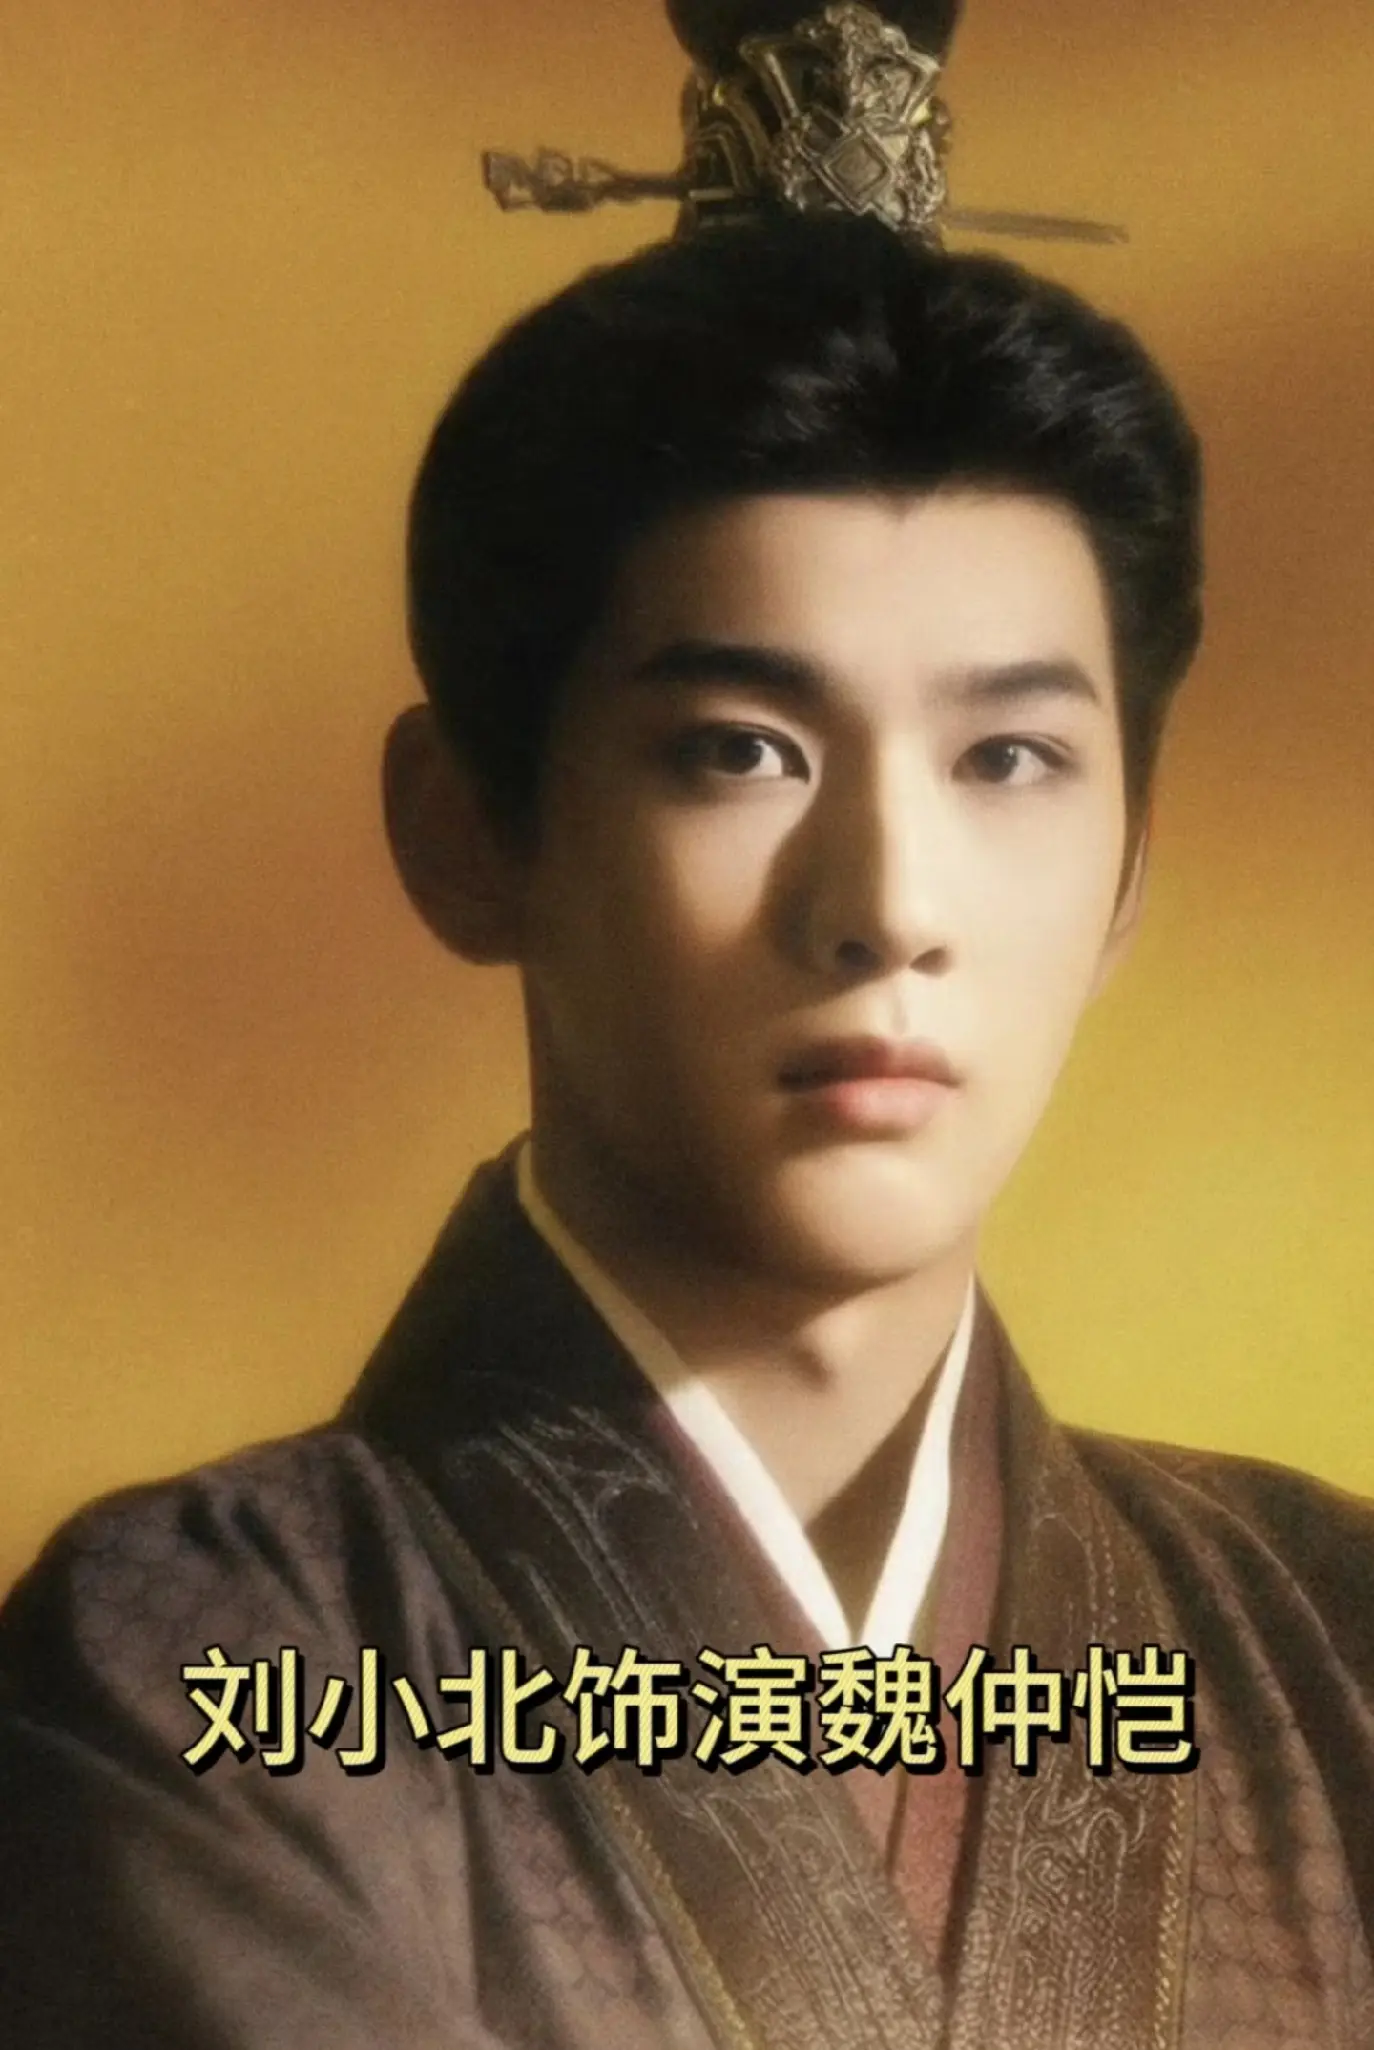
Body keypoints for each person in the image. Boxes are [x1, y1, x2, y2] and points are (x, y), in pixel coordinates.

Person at [2, 3, 1371, 2045]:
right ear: (469, 833)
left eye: (1007, 758)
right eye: (739, 746)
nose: (888, 902)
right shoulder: (208, 1662)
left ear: (1124, 881)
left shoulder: (1324, 1643)